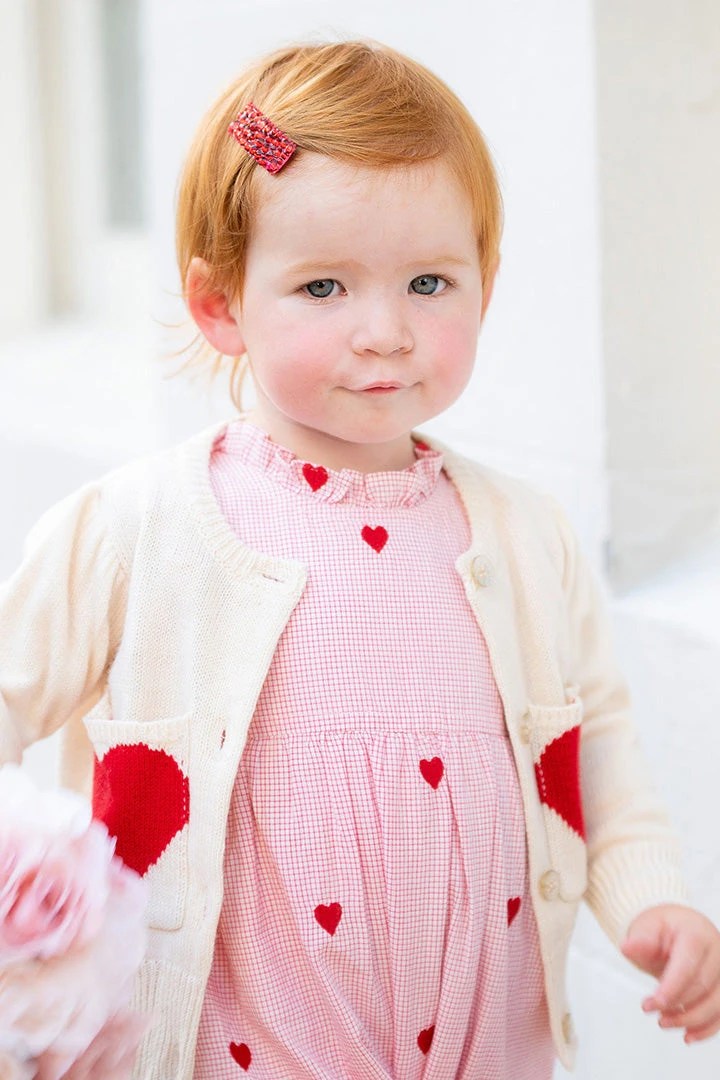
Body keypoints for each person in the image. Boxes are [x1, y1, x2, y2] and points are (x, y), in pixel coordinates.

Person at [2, 38, 719, 1080]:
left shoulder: (524, 536)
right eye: (324, 286)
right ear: (221, 303)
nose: (384, 332)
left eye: (429, 282)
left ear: (486, 286)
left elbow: (594, 737)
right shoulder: (136, 529)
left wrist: (648, 896)